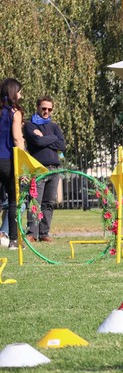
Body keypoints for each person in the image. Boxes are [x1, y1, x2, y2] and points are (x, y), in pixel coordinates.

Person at [23, 95, 66, 242]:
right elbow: (37, 142)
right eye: (44, 108)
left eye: (49, 109)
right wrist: (52, 138)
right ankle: (32, 233)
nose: (46, 111)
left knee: (48, 203)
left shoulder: (54, 127)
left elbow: (62, 146)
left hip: (54, 169)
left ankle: (44, 233)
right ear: (37, 107)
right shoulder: (30, 125)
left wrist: (44, 138)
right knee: (35, 201)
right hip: (38, 169)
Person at [0, 78, 25, 250]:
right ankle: (13, 241)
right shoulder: (14, 113)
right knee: (13, 200)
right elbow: (17, 138)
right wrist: (23, 162)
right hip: (7, 160)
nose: (21, 95)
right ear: (13, 92)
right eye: (20, 91)